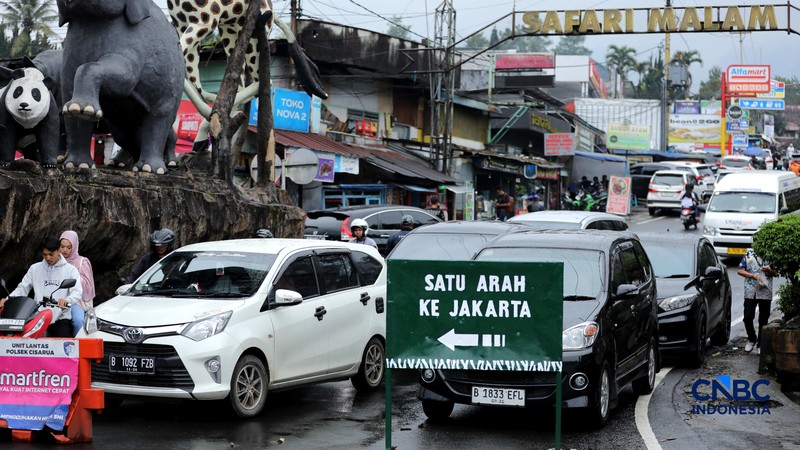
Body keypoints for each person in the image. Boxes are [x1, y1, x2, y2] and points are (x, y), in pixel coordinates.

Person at [0, 237, 83, 337]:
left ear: (59, 251)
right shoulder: (34, 268)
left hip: (60, 318)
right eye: (45, 254)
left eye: (51, 254)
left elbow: (77, 292)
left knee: (63, 347)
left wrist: (67, 300)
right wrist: (8, 299)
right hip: (38, 317)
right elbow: (22, 289)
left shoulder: (70, 270)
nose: (48, 258)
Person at [737, 249, 775, 354]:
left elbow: (778, 273)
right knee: (747, 317)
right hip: (750, 290)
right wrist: (752, 276)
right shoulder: (748, 254)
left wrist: (769, 270)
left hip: (765, 290)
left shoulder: (771, 254)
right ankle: (752, 338)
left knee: (763, 319)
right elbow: (740, 270)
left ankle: (760, 344)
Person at [59, 231, 95, 336]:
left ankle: (77, 346)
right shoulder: (54, 261)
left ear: (74, 246)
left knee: (78, 321)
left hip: (76, 301)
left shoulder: (82, 262)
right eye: (62, 246)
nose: (65, 250)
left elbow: (87, 285)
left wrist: (72, 276)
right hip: (56, 300)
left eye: (69, 247)